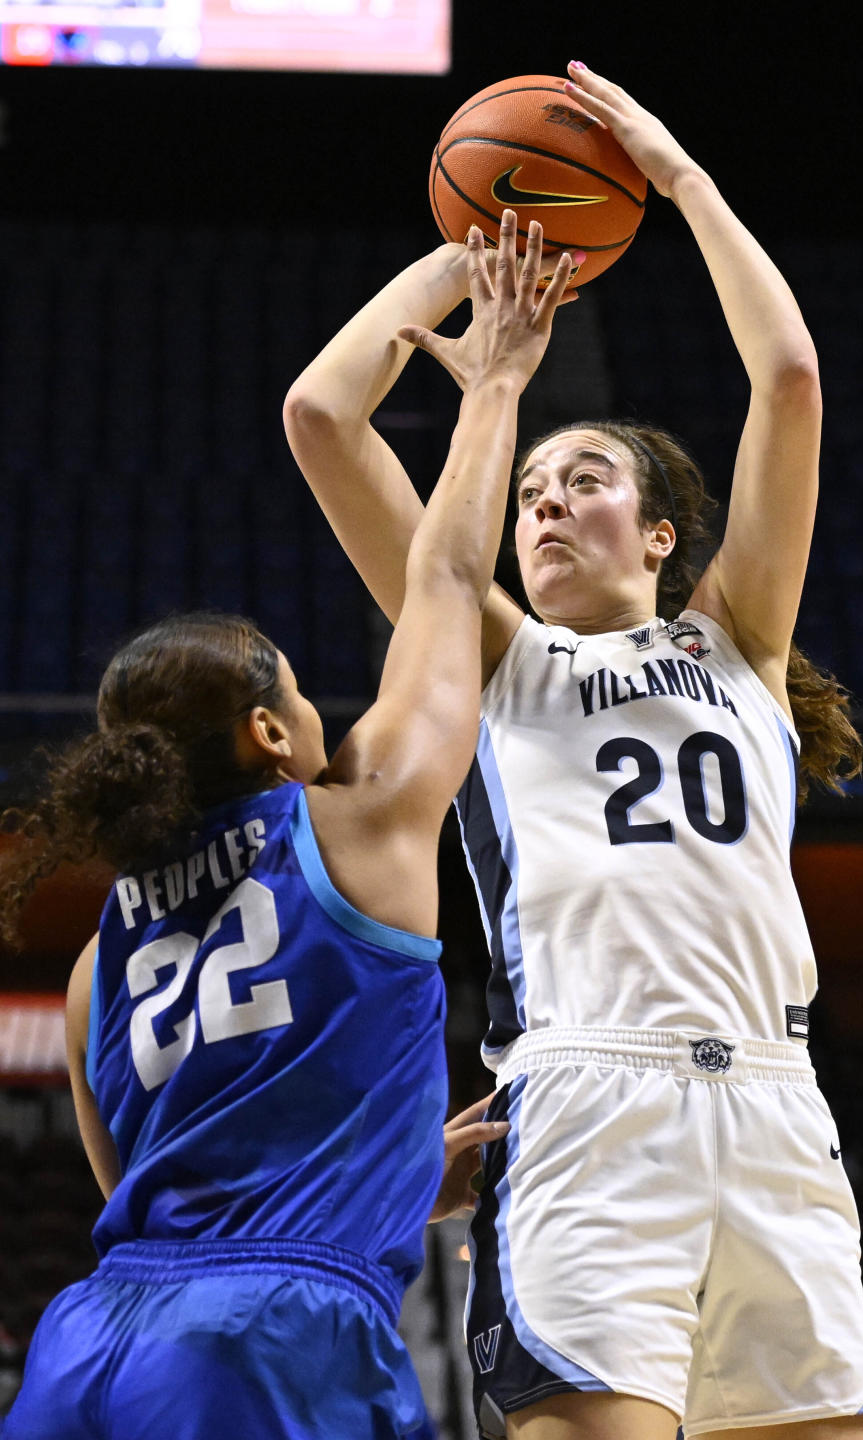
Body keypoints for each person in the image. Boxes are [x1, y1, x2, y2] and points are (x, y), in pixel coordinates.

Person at [283, 62, 863, 1440]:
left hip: (780, 1111)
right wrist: (482, 248)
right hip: (584, 1105)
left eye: (587, 484)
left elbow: (788, 375)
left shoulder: (736, 639)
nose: (546, 509)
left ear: (662, 532)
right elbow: (323, 418)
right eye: (533, 494)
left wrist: (678, 181)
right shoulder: (495, 658)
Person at [0, 217, 571, 1440]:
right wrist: (501, 379)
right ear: (268, 735)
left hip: (89, 1349)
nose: (325, 708)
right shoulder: (356, 827)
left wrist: (398, 1175)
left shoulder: (101, 960)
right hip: (267, 1348)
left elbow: (164, 1204)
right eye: (304, 690)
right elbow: (448, 584)